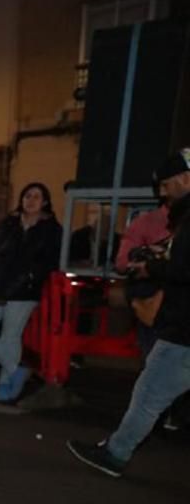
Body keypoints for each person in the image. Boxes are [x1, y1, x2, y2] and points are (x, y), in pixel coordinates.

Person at [67, 149, 190, 477]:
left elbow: (182, 267)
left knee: (149, 394)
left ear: (184, 179)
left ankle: (115, 454)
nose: (163, 192)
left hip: (183, 331)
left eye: (166, 184)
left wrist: (151, 266)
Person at [0, 183, 62, 403]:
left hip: (25, 290)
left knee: (11, 336)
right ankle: (16, 370)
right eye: (27, 196)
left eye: (36, 196)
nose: (30, 200)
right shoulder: (8, 224)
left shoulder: (51, 229)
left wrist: (32, 277)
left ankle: (6, 384)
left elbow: (50, 260)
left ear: (45, 202)